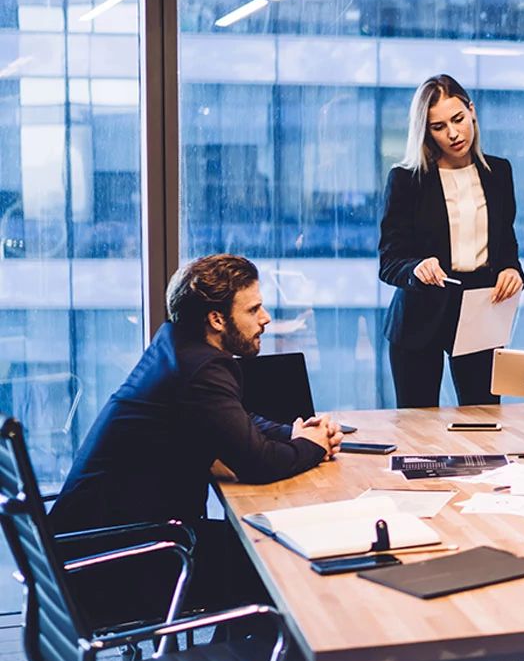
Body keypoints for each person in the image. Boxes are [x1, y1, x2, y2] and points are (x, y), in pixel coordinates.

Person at [49, 254, 343, 624]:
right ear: (217, 319)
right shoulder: (203, 367)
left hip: (91, 548)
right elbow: (260, 464)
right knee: (283, 562)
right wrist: (314, 446)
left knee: (266, 547)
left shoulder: (176, 346)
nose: (266, 318)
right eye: (253, 309)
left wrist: (295, 433)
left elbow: (234, 421)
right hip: (122, 563)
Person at [379, 74, 524, 407]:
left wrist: (512, 270)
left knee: (485, 420)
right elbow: (390, 260)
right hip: (420, 315)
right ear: (426, 131)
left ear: (471, 110)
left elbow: (506, 243)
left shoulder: (499, 172)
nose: (453, 133)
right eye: (438, 126)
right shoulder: (406, 179)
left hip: (480, 311)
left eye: (458, 119)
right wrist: (416, 268)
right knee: (417, 426)